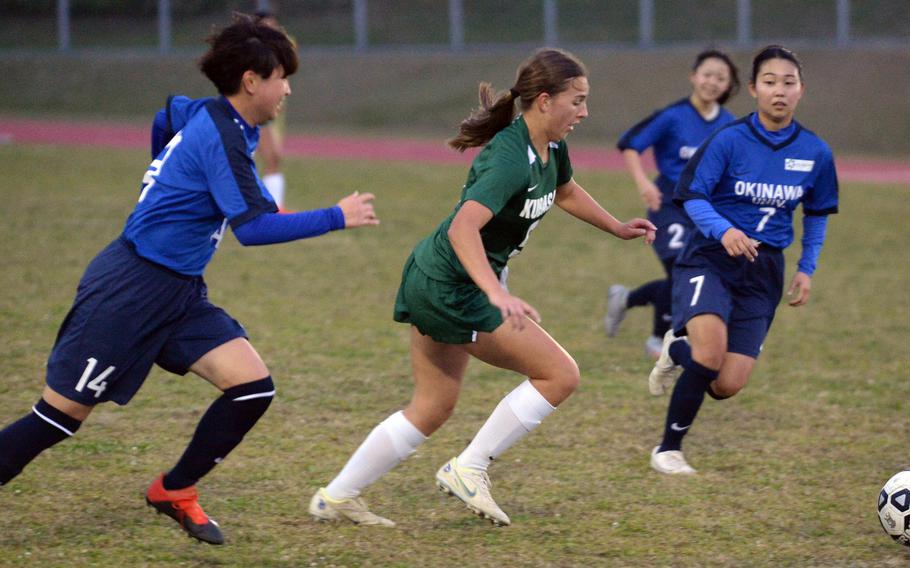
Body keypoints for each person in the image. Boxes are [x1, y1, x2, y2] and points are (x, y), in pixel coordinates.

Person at [0, 13, 378, 545]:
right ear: (252, 81)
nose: (287, 89)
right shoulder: (221, 137)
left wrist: (164, 172)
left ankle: (173, 490)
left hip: (177, 292)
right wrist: (337, 215)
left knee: (251, 388)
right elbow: (254, 231)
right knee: (56, 420)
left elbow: (168, 114)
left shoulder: (217, 118)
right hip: (129, 289)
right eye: (281, 78)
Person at [307, 48, 656, 527]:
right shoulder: (510, 159)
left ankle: (336, 496)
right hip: (453, 286)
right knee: (560, 374)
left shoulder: (549, 147)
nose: (585, 111)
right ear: (546, 100)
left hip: (436, 277)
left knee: (432, 406)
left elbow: (566, 190)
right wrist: (497, 293)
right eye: (577, 101)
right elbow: (462, 229)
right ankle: (468, 468)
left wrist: (615, 227)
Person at [647, 45, 838, 475]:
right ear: (753, 89)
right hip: (711, 257)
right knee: (711, 353)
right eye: (770, 82)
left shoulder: (816, 152)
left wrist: (807, 269)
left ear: (801, 90)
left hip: (765, 270)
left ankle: (677, 352)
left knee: (727, 384)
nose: (779, 91)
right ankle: (668, 449)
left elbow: (819, 216)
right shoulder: (729, 139)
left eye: (789, 83)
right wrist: (725, 230)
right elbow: (691, 196)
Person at [605, 49, 740, 360]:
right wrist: (643, 183)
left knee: (692, 274)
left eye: (721, 77)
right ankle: (658, 339)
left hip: (704, 211)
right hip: (668, 205)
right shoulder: (671, 116)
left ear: (728, 85)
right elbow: (629, 144)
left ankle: (626, 299)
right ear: (693, 76)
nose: (712, 82)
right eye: (707, 74)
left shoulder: (730, 125)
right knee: (681, 269)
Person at [254, 8, 288, 209]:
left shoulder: (273, 54)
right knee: (271, 156)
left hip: (265, 113)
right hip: (253, 113)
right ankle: (271, 207)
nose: (272, 29)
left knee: (273, 157)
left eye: (274, 25)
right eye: (267, 26)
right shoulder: (250, 55)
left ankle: (274, 206)